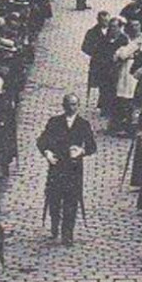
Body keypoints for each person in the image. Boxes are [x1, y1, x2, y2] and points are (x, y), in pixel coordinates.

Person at [36, 94, 97, 244]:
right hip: (57, 166)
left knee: (71, 200)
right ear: (63, 106)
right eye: (69, 104)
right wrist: (48, 153)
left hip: (74, 168)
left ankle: (67, 233)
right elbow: (42, 141)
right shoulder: (54, 122)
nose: (72, 108)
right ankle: (55, 225)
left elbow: (91, 146)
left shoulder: (83, 124)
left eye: (75, 104)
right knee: (54, 198)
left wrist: (81, 151)